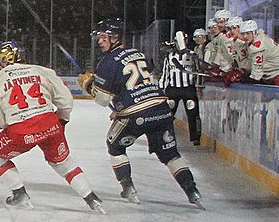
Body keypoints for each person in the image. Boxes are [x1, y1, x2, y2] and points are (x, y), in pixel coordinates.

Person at [80, 19, 203, 208]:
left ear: (115, 38)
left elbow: (103, 100)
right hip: (161, 110)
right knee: (170, 154)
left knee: (115, 146)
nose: (100, 41)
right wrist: (121, 106)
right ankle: (192, 190)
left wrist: (88, 85)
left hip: (136, 114)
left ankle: (128, 188)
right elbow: (145, 82)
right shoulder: (138, 54)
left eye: (103, 37)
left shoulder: (108, 62)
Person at [0, 41, 104, 213]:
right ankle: (91, 198)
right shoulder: (42, 70)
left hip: (21, 131)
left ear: (5, 59)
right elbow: (65, 101)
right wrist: (61, 121)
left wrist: (10, 127)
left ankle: (19, 193)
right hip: (50, 124)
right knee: (64, 163)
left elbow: (0, 117)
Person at [158, 32, 203, 144]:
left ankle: (196, 138)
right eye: (178, 41)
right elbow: (165, 74)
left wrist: (198, 86)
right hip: (173, 89)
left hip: (188, 89)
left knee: (193, 113)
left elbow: (198, 71)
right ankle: (165, 135)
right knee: (167, 114)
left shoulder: (192, 55)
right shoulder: (169, 56)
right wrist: (161, 90)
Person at [242, 19, 279, 85]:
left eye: (248, 33)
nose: (245, 36)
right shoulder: (258, 37)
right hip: (275, 73)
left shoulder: (258, 46)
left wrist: (242, 79)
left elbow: (256, 75)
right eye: (243, 34)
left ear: (254, 33)